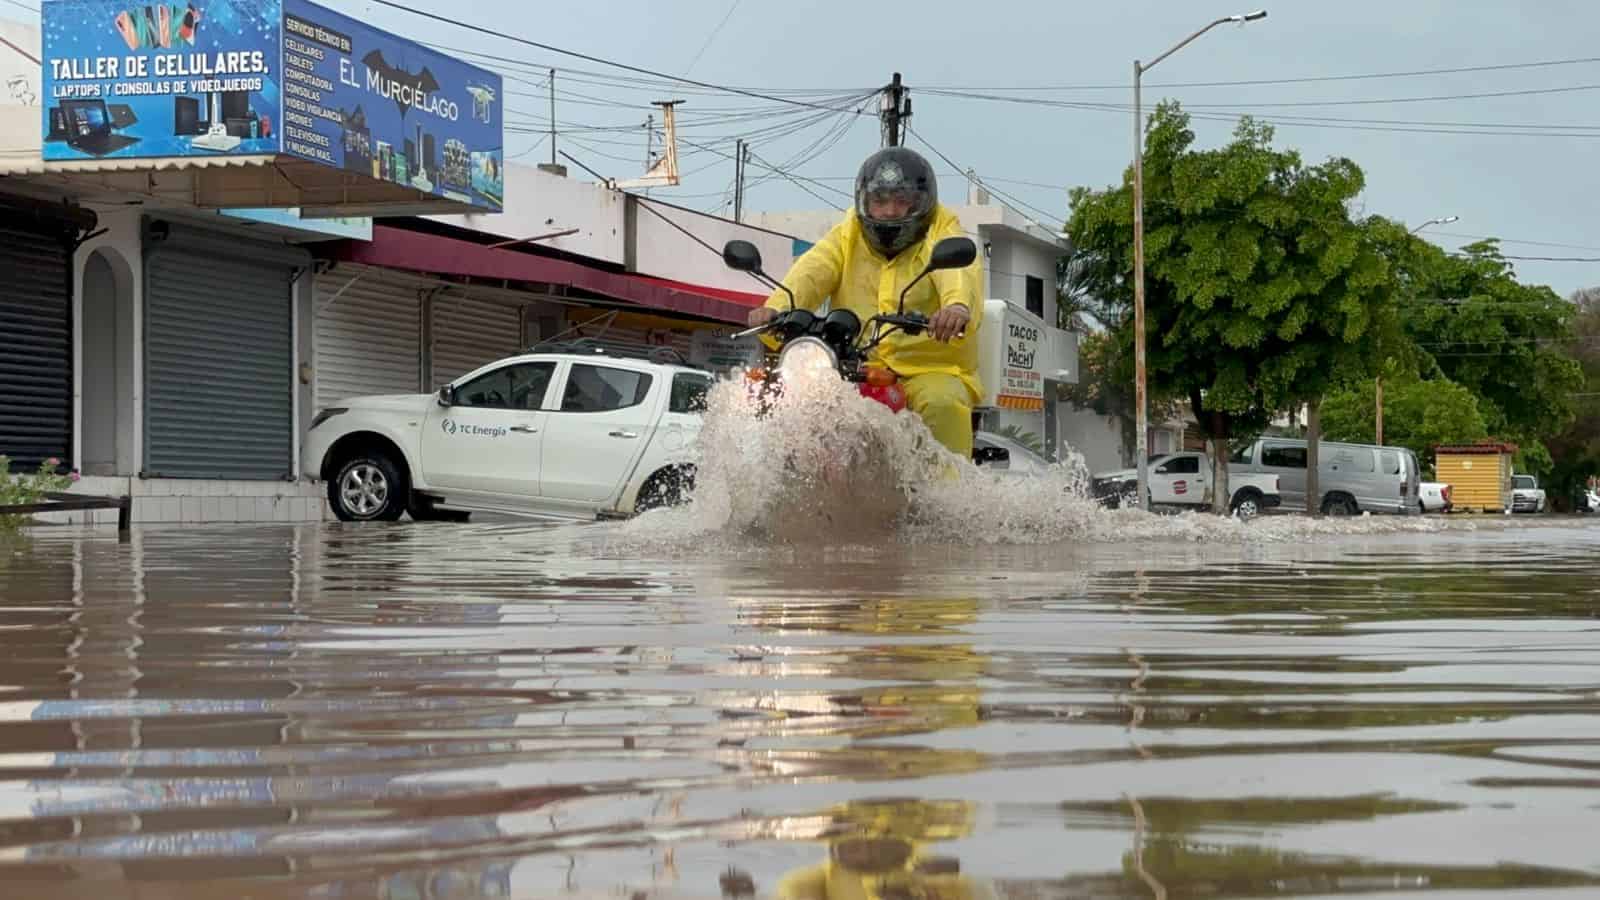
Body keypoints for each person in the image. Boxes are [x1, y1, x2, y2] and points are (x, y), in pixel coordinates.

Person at [748, 146, 984, 459]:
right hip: (853, 366)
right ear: (865, 201)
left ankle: (950, 500)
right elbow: (813, 270)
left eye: (901, 201)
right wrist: (775, 309)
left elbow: (958, 275)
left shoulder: (941, 231)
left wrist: (956, 308)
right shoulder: (848, 234)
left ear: (920, 203)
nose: (888, 211)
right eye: (880, 200)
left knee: (942, 402)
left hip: (928, 368)